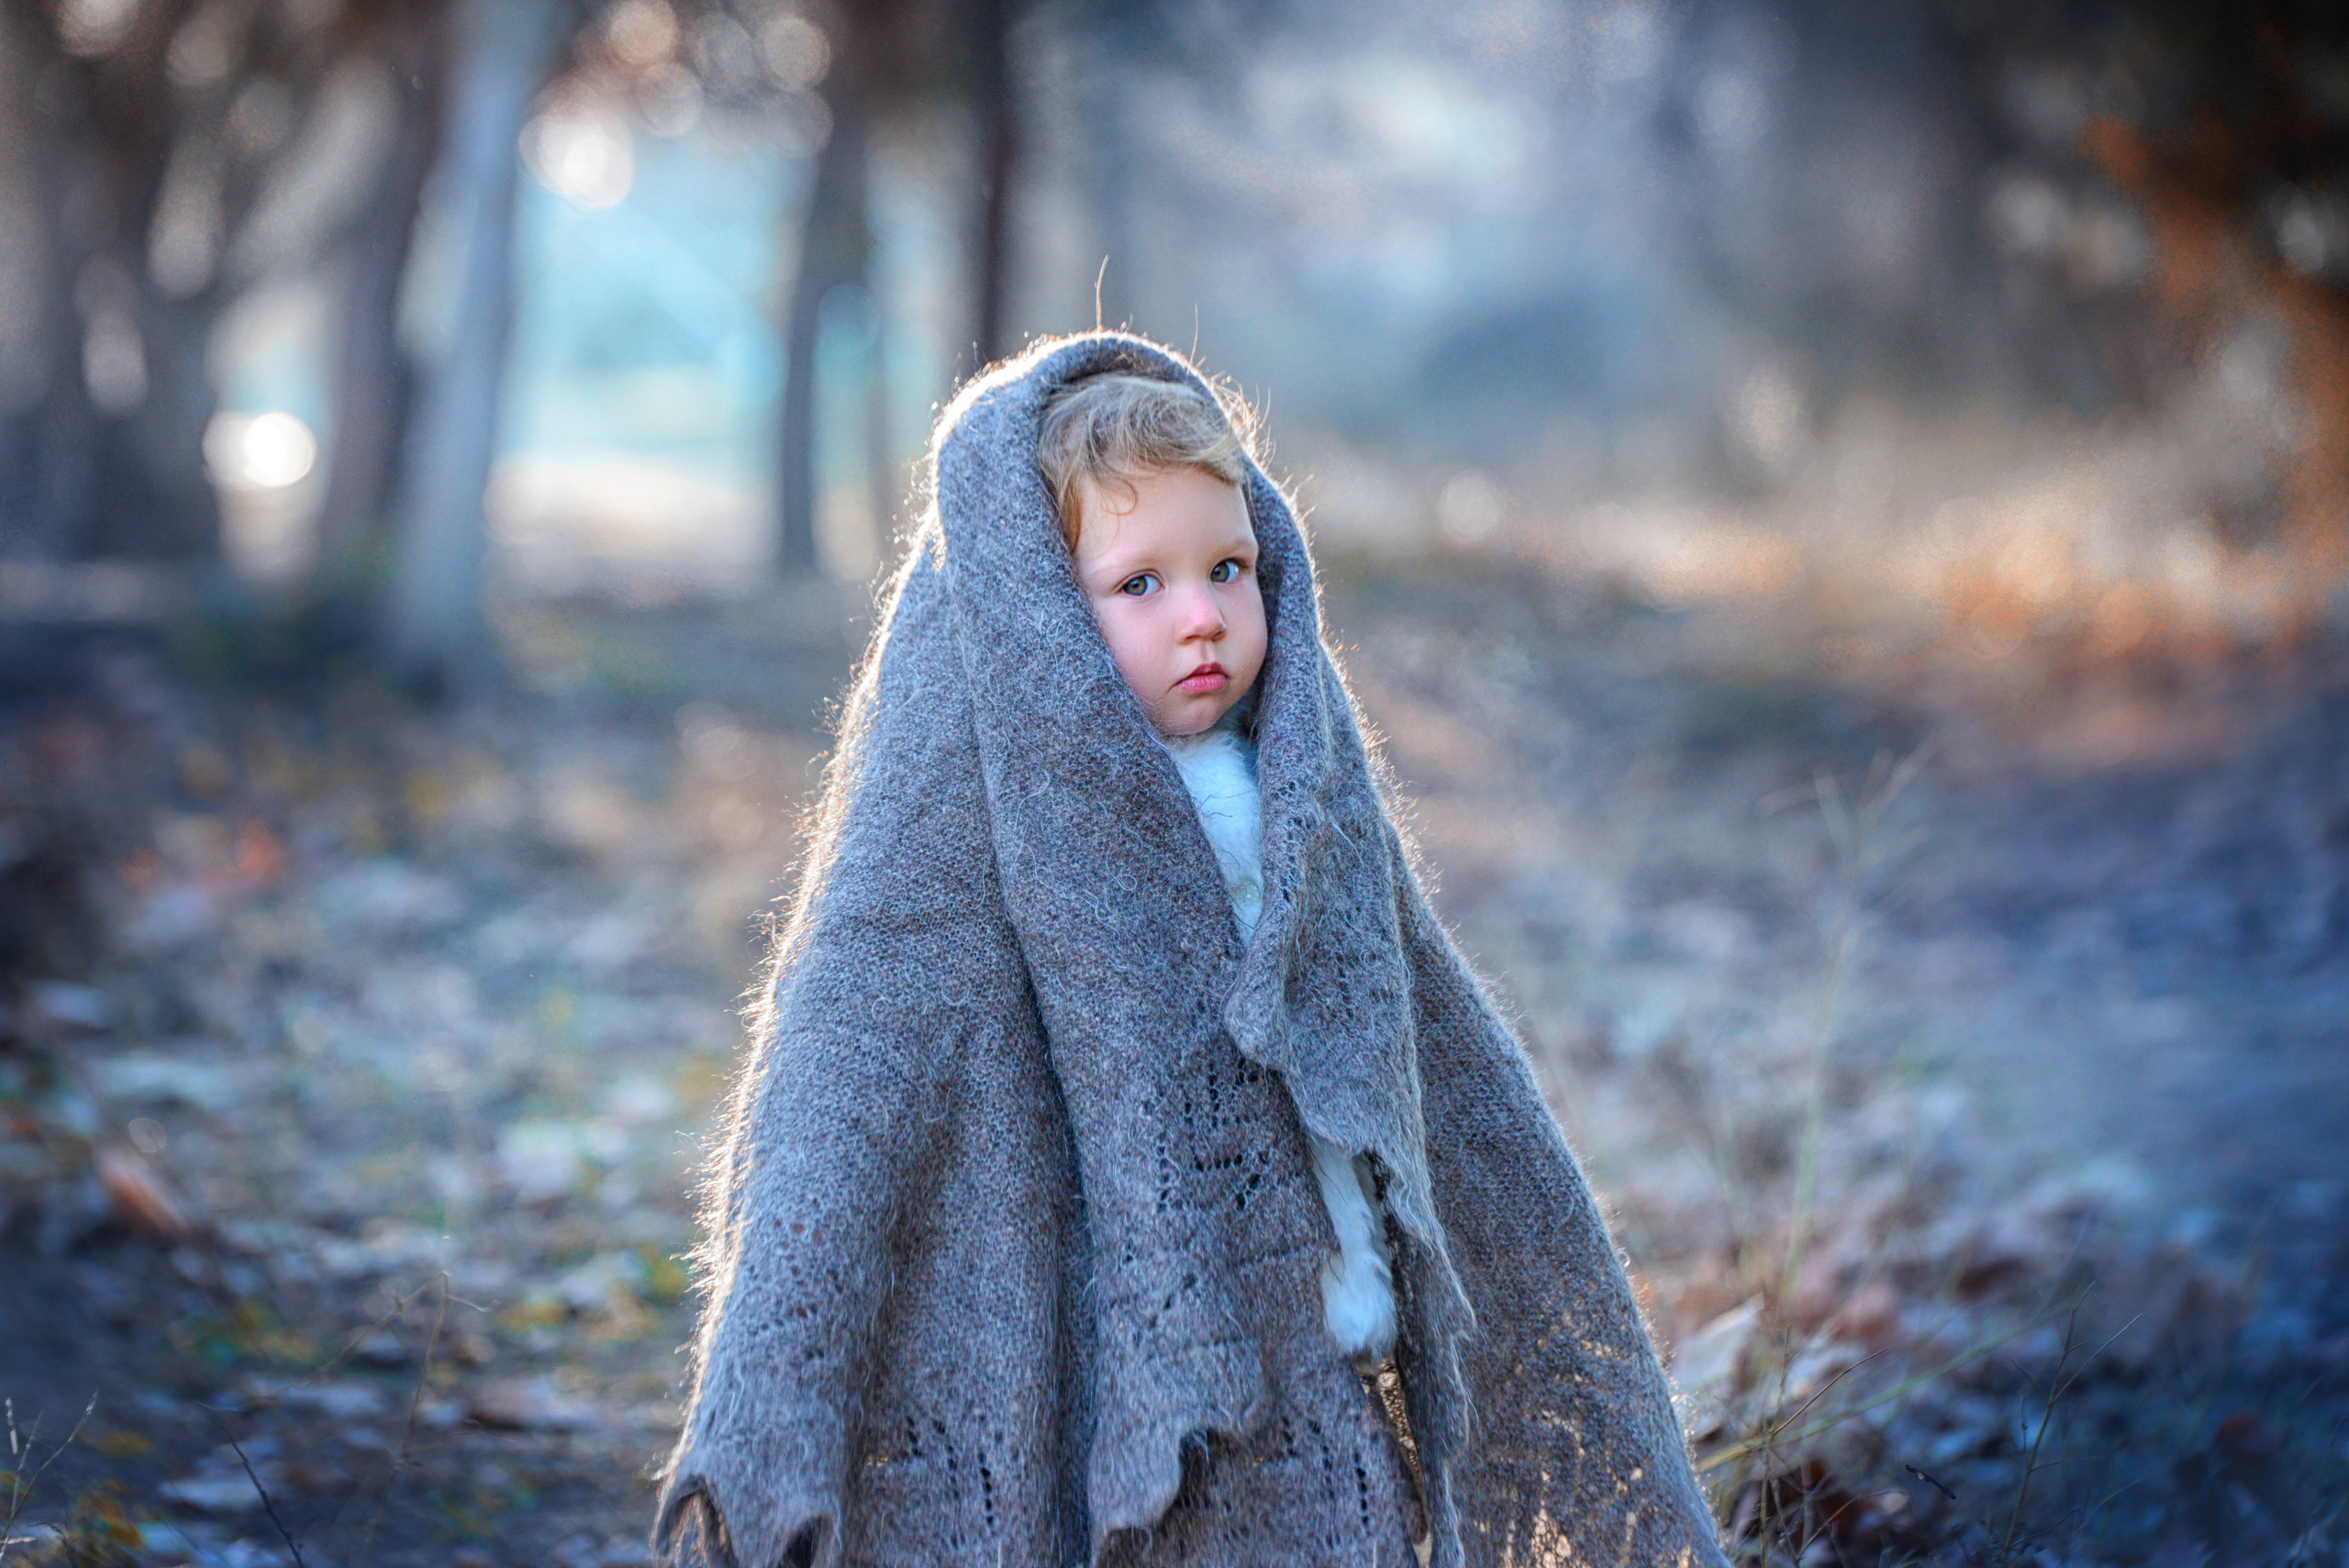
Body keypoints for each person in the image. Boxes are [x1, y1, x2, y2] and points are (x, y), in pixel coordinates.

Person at [654, 332, 1727, 1568]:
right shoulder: (959, 804)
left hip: (1309, 1323)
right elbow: (850, 1057)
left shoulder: (1303, 785)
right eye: (1141, 585)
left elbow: (1432, 1050)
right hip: (1072, 1310)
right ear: (1038, 612)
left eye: (1229, 567)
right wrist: (777, 1362)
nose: (1205, 617)